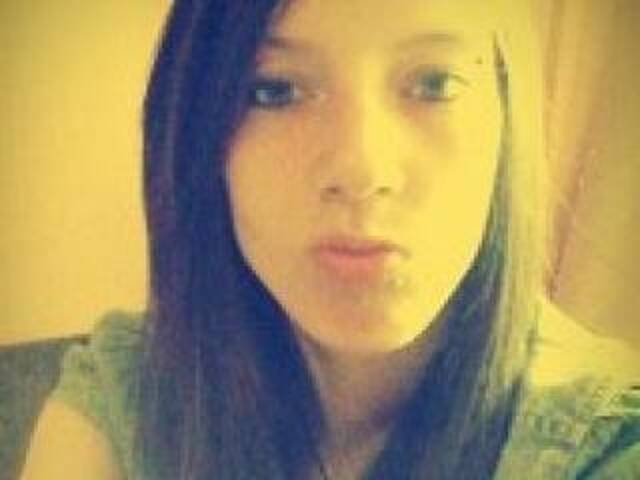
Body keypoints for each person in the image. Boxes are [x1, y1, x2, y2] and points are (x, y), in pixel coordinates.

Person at [20, 1, 640, 479]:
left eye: (434, 82)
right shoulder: (128, 400)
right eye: (275, 90)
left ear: (506, 116)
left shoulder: (601, 442)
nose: (362, 170)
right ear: (198, 139)